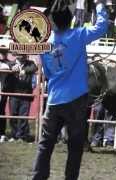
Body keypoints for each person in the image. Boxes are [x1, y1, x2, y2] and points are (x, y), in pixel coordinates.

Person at [31, 0, 108, 179]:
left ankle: (38, 177)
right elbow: (102, 26)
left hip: (55, 99)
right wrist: (99, 5)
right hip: (76, 99)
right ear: (70, 20)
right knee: (75, 146)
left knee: (45, 144)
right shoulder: (78, 35)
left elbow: (48, 72)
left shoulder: (45, 43)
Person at [7, 54, 37, 142]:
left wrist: (24, 70)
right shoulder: (11, 63)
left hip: (25, 94)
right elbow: (6, 67)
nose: (21, 55)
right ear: (16, 55)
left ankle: (21, 136)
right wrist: (11, 69)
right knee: (13, 115)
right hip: (13, 93)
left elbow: (35, 68)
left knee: (23, 116)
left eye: (23, 54)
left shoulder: (30, 63)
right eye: (19, 53)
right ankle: (14, 135)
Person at [0, 51, 10, 143]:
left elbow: (6, 67)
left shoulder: (5, 64)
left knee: (1, 112)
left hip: (1, 92)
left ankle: (2, 134)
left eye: (3, 53)